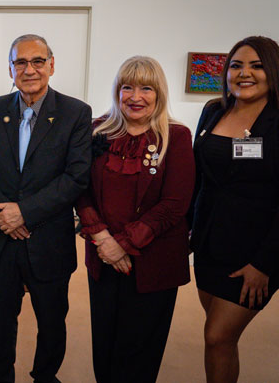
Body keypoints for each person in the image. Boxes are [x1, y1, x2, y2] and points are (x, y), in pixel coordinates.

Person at [0, 34, 91, 383]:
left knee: (52, 321)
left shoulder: (75, 113)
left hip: (48, 239)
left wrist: (25, 212)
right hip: (1, 239)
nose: (29, 69)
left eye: (38, 61)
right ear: (10, 69)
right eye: (20, 62)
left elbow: (76, 176)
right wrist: (4, 215)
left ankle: (45, 376)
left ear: (52, 65)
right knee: (1, 320)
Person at [190, 36, 279, 383]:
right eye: (236, 65)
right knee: (219, 338)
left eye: (256, 66)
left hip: (256, 253)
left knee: (217, 336)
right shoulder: (213, 110)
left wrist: (263, 265)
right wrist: (189, 228)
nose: (244, 73)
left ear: (273, 72)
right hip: (210, 245)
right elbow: (200, 177)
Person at [75, 56, 195, 382]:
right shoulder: (97, 130)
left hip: (154, 263)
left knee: (139, 352)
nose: (135, 96)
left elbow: (175, 204)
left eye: (146, 88)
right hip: (103, 259)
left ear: (159, 93)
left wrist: (124, 245)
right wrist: (103, 239)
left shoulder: (177, 136)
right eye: (127, 87)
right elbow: (80, 190)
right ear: (117, 91)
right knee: (105, 345)